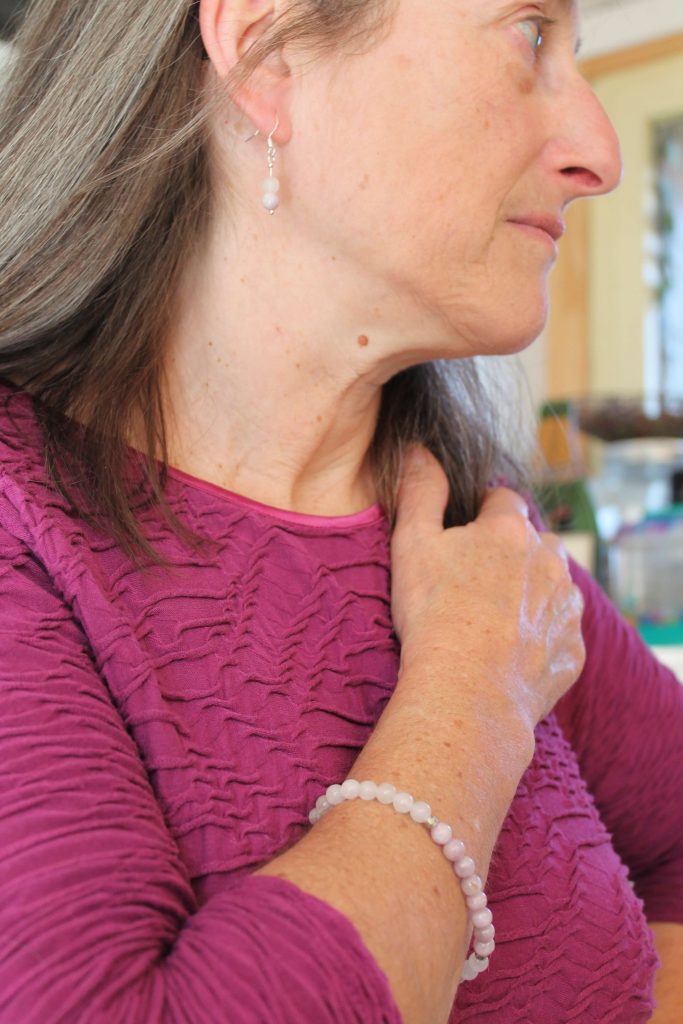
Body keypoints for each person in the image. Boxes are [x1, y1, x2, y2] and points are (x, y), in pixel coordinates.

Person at [0, 1, 681, 1022]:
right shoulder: (24, 527)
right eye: (530, 34)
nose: (600, 154)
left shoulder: (478, 542)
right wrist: (470, 699)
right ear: (266, 50)